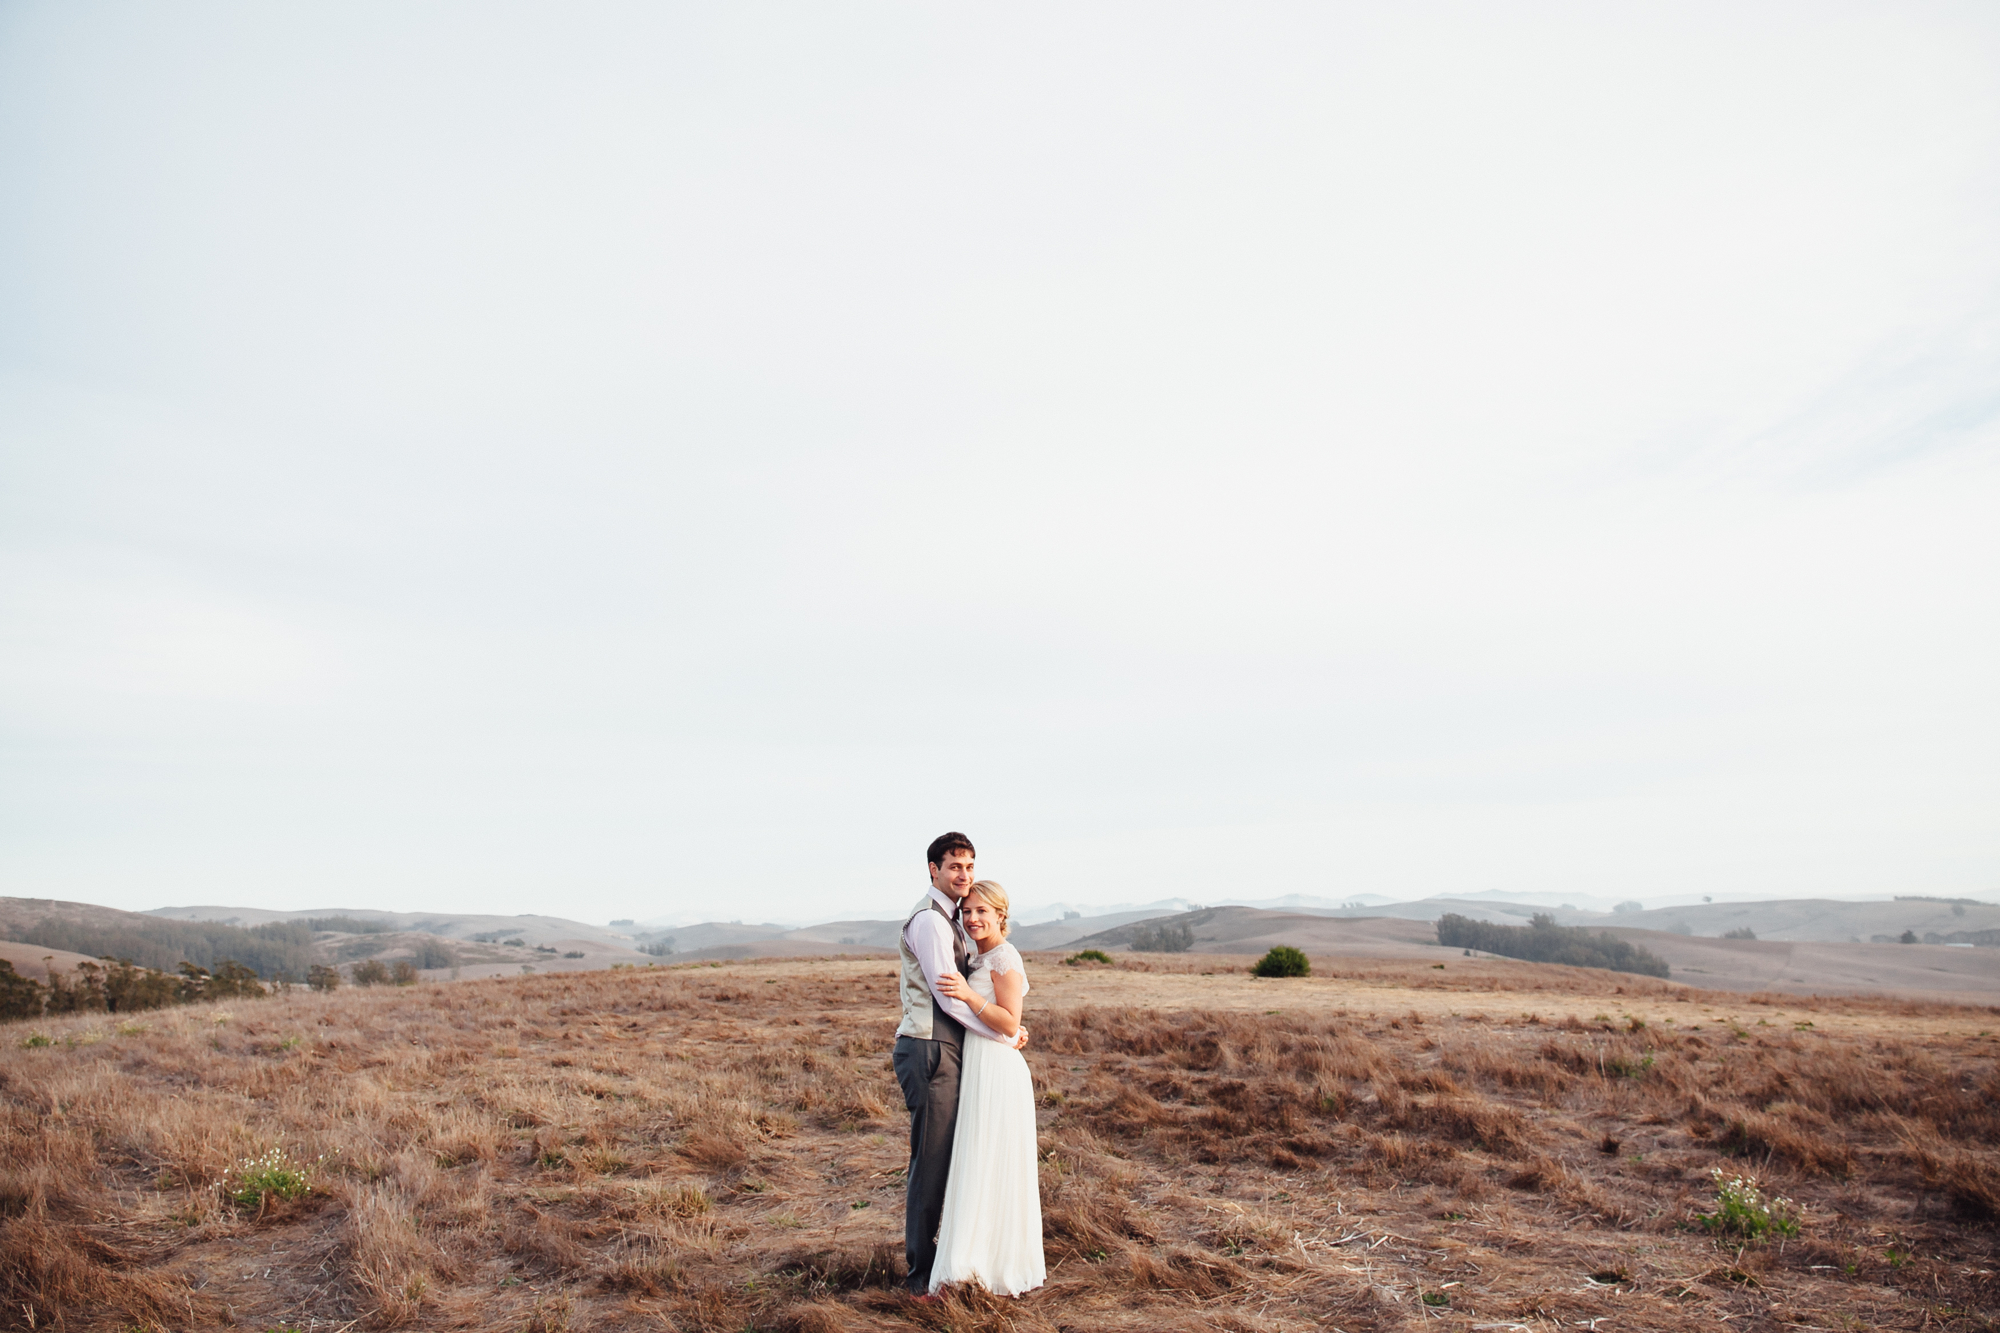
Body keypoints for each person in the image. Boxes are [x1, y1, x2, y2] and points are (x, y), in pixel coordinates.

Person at [891, 833, 1028, 1295]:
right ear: (934, 869)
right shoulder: (931, 922)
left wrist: (1008, 1030)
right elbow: (949, 1002)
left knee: (955, 1158)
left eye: (968, 867)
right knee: (930, 1162)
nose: (962, 876)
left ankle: (958, 1260)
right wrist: (1004, 1034)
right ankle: (921, 1278)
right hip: (930, 1048)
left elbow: (991, 1000)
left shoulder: (954, 921)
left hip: (953, 1050)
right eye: (954, 866)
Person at [929, 879, 1046, 1296]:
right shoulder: (978, 959)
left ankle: (988, 1265)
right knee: (977, 1161)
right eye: (967, 912)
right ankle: (972, 1261)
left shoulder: (1003, 956)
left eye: (982, 911)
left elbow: (1009, 1022)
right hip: (979, 1064)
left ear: (1001, 915)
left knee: (988, 1159)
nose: (973, 918)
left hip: (997, 1071)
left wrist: (967, 996)